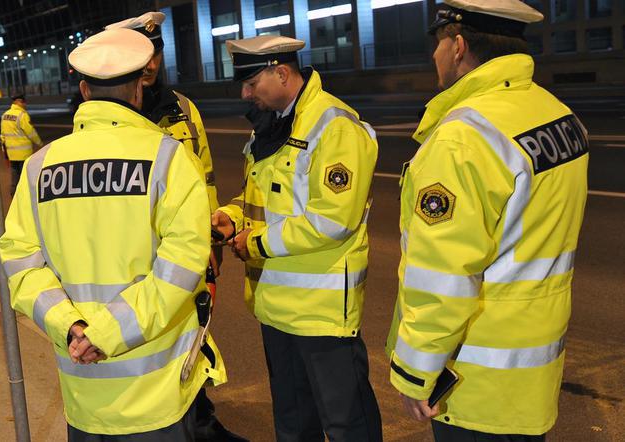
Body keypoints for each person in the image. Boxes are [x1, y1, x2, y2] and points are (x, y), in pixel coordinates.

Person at [0, 28, 226, 441]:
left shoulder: (38, 167)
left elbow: (20, 261)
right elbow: (182, 267)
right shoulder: (169, 160)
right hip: (156, 397)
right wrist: (108, 333)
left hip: (83, 390)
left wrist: (72, 328)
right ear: (139, 89)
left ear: (84, 91)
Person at [385, 1, 589, 440]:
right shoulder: (559, 116)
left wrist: (416, 373)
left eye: (437, 44)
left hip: (476, 381)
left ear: (457, 46)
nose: (435, 56)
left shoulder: (464, 137)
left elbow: (443, 273)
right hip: (533, 368)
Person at [213, 35, 382, 441]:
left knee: (347, 425)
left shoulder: (334, 125)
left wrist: (254, 243)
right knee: (293, 423)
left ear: (282, 73)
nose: (245, 93)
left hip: (322, 313)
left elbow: (332, 220)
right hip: (276, 307)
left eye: (252, 84)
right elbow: (255, 198)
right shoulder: (268, 129)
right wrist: (231, 218)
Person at [105, 12, 242, 442]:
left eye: (156, 53)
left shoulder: (183, 108)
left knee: (195, 335)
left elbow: (204, 177)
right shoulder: (109, 114)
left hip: (186, 251)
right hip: (137, 256)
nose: (151, 64)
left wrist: (212, 240)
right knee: (148, 341)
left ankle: (200, 419)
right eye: (142, 54)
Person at [0, 93, 42, 196]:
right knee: (25, 175)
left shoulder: (5, 115)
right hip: (24, 153)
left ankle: (14, 193)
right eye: (24, 102)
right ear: (19, 102)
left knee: (15, 173)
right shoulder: (22, 115)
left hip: (11, 153)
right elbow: (30, 131)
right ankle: (26, 195)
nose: (25, 105)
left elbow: (3, 135)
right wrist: (39, 143)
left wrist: (4, 151)